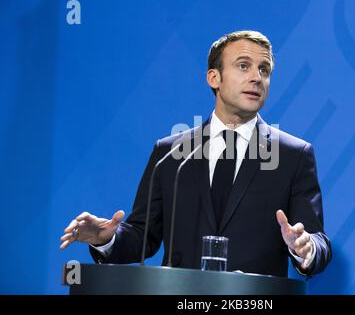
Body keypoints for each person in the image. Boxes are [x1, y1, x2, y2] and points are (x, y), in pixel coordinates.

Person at [60, 30, 331, 277]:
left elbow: (317, 241)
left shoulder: (293, 156)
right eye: (243, 66)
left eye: (265, 69)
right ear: (214, 77)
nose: (256, 78)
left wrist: (305, 248)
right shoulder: (171, 153)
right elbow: (143, 238)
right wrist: (105, 238)